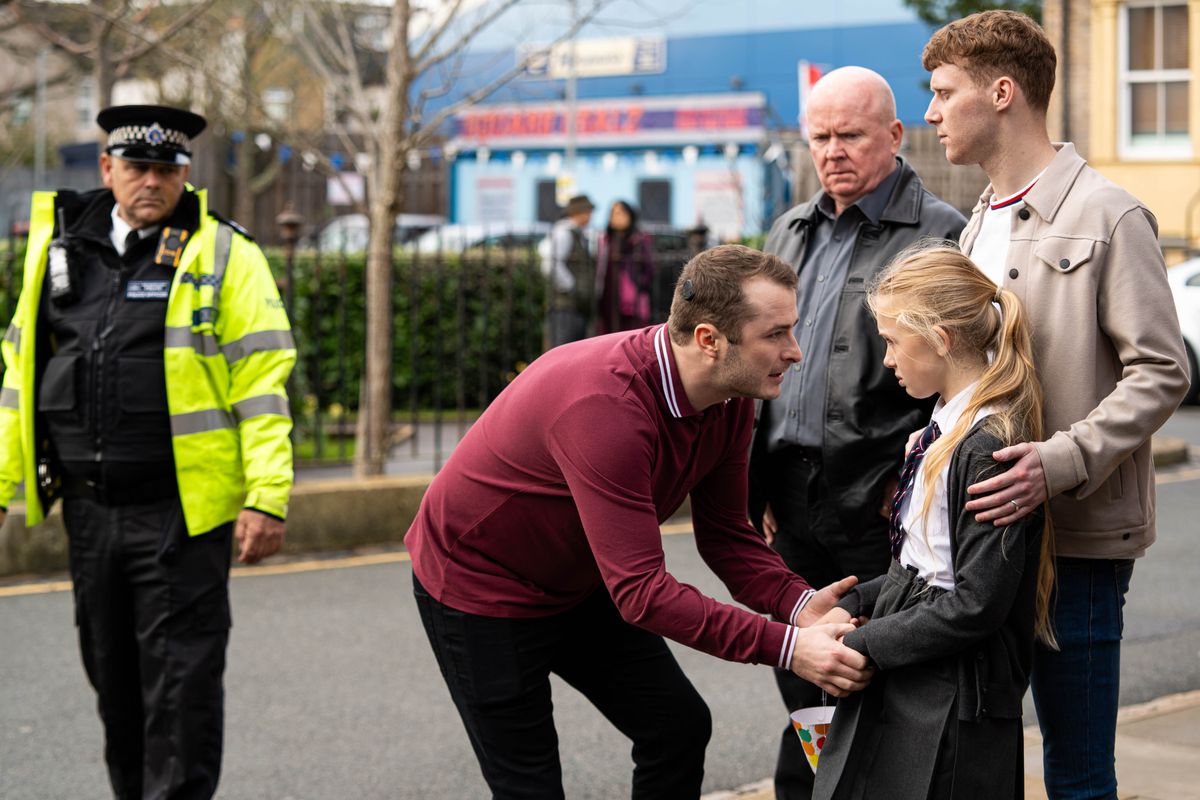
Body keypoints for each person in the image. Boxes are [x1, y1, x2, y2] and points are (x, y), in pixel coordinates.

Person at [405, 244, 873, 799]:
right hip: (480, 588)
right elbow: (642, 594)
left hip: (579, 581)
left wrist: (801, 605)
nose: (795, 352)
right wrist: (790, 646)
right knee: (528, 785)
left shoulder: (729, 397)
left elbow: (726, 536)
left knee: (677, 727)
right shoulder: (606, 409)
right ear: (708, 340)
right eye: (775, 334)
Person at [922, 12, 1190, 798]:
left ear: (1002, 93)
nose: (932, 113)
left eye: (944, 93)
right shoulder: (976, 224)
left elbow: (1161, 372)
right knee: (983, 762)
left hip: (1074, 546)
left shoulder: (1112, 214)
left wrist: (1058, 462)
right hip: (982, 541)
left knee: (1076, 775)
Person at [0, 104, 295, 799]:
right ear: (107, 169)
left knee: (182, 690)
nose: (151, 182)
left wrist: (266, 495)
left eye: (167, 169)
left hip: (179, 514)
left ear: (185, 174)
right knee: (115, 684)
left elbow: (262, 381)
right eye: (137, 167)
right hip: (89, 512)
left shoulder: (225, 252)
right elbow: (18, 375)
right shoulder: (59, 248)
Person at [750, 65, 965, 799]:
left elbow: (961, 374)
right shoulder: (788, 228)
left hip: (878, 503)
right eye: (820, 137)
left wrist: (909, 490)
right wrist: (756, 482)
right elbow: (761, 360)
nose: (833, 151)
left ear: (895, 135)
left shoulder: (940, 231)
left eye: (850, 135)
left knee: (875, 684)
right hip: (789, 502)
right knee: (800, 671)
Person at [811, 244, 1050, 800]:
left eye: (893, 341)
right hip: (920, 665)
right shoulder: (942, 427)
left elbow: (976, 602)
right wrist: (853, 605)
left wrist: (866, 643)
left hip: (951, 688)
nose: (887, 360)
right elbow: (920, 566)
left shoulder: (986, 445)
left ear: (939, 339)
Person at [541, 193, 595, 347]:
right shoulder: (563, 232)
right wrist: (571, 286)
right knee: (562, 349)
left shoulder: (577, 234)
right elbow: (550, 265)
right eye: (587, 212)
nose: (590, 216)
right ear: (578, 213)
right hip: (565, 305)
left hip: (575, 305)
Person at [595, 199, 655, 334]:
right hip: (609, 298)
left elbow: (649, 270)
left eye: (621, 212)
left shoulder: (639, 240)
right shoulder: (605, 240)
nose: (616, 217)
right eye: (613, 213)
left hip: (632, 302)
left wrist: (636, 284)